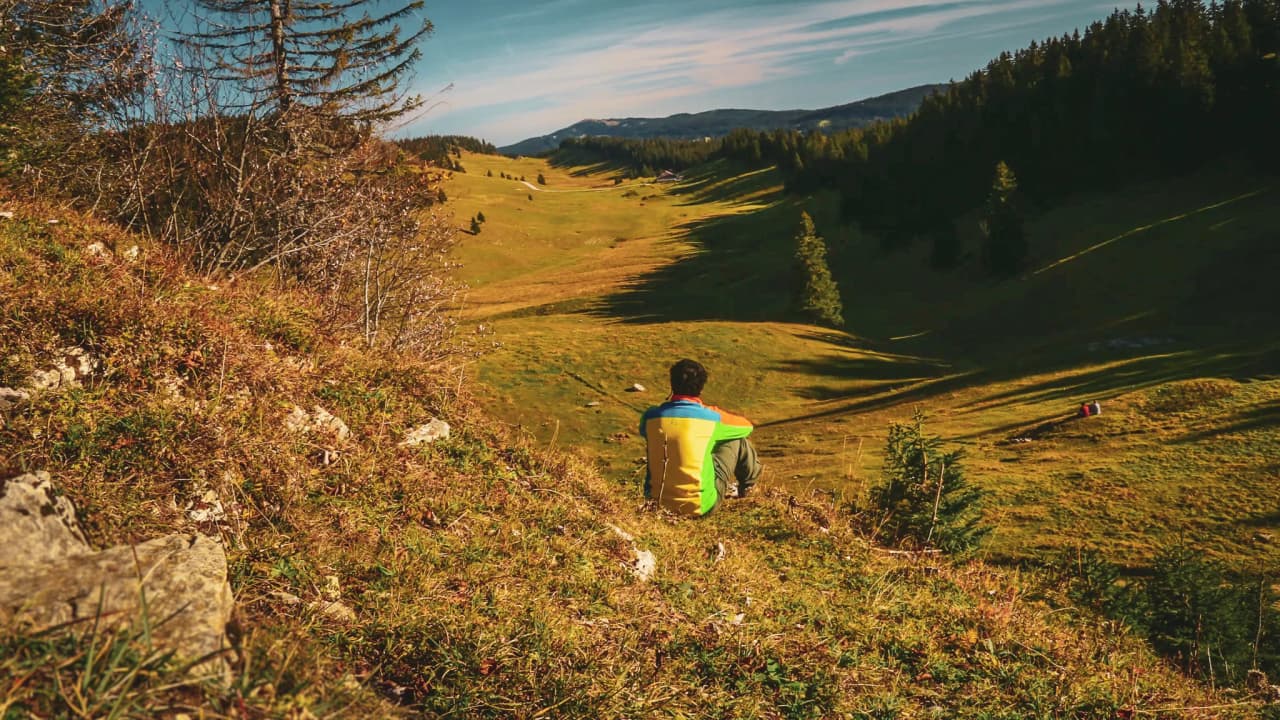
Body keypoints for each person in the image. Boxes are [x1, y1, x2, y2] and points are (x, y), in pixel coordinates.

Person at [639, 359, 763, 516]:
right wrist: (711, 411)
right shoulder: (711, 419)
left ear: (672, 384)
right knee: (737, 439)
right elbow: (747, 427)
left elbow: (645, 431)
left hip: (655, 505)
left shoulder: (650, 417)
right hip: (701, 507)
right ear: (701, 387)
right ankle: (749, 487)